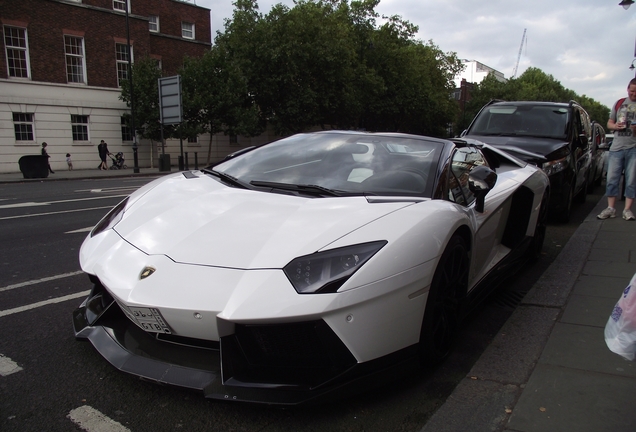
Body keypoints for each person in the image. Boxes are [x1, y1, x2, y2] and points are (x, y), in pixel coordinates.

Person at [598, 78, 636, 221]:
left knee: (631, 180)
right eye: (632, 91)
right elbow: (610, 122)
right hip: (617, 147)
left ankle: (627, 210)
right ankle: (611, 208)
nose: (634, 94)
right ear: (627, 89)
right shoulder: (620, 103)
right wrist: (615, 127)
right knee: (611, 179)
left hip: (634, 147)